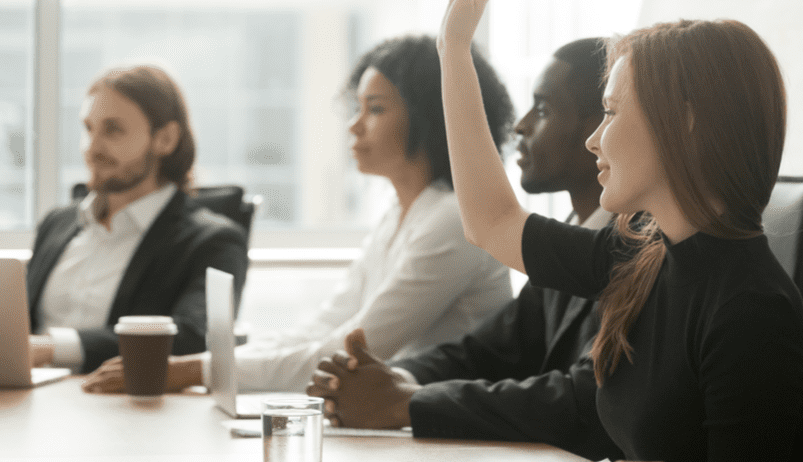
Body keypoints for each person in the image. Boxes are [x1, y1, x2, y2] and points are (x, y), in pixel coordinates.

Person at [428, 0, 803, 461]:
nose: (593, 140)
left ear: (685, 123)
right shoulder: (642, 256)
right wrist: (453, 50)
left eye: (610, 112)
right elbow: (491, 221)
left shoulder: (751, 313)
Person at [81, 35, 515, 394]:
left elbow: (351, 350)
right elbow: (320, 327)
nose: (354, 125)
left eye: (376, 109)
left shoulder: (453, 220)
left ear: (432, 118)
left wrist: (195, 371)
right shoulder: (401, 215)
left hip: (456, 439)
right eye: (357, 108)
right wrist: (208, 365)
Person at [306, 37, 624, 461]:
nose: (520, 126)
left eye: (544, 109)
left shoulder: (635, 246)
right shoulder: (576, 234)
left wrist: (405, 400)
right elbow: (491, 349)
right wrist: (392, 379)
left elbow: (583, 400)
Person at [26, 65, 248, 374]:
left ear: (165, 139)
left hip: (122, 407)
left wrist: (49, 348)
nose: (92, 148)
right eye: (88, 128)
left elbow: (194, 337)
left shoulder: (212, 241)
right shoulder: (57, 223)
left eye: (113, 130)